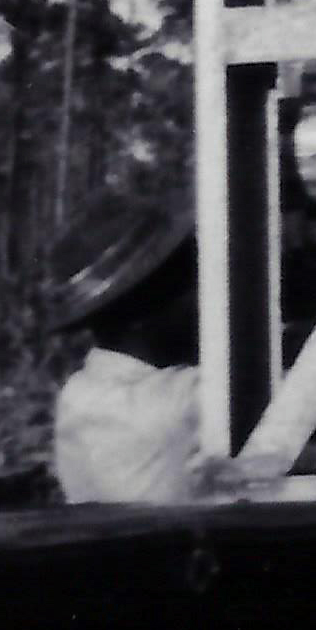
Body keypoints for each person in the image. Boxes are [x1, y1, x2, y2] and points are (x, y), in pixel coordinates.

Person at [43, 190, 205, 507]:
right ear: (141, 316)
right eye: (190, 286)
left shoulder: (77, 395)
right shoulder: (178, 400)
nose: (204, 298)